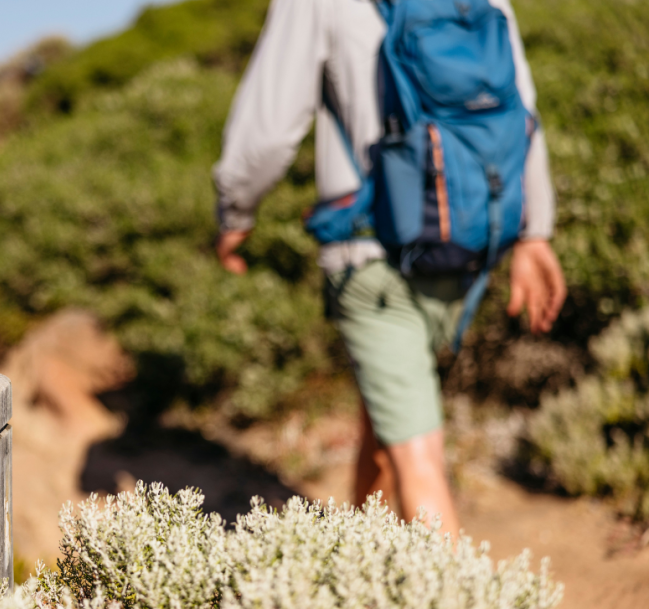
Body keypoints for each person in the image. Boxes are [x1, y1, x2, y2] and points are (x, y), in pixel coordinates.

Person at [212, 0, 567, 535]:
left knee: (418, 462)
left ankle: (450, 580)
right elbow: (523, 111)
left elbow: (267, 128)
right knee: (387, 427)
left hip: (371, 256)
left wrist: (235, 211)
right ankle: (358, 561)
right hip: (464, 244)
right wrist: (534, 232)